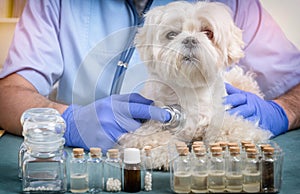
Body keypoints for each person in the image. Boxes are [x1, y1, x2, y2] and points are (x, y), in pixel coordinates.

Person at [0, 0, 299, 152]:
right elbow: (8, 94)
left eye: (206, 34)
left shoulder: (236, 4)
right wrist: (67, 122)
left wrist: (283, 111)